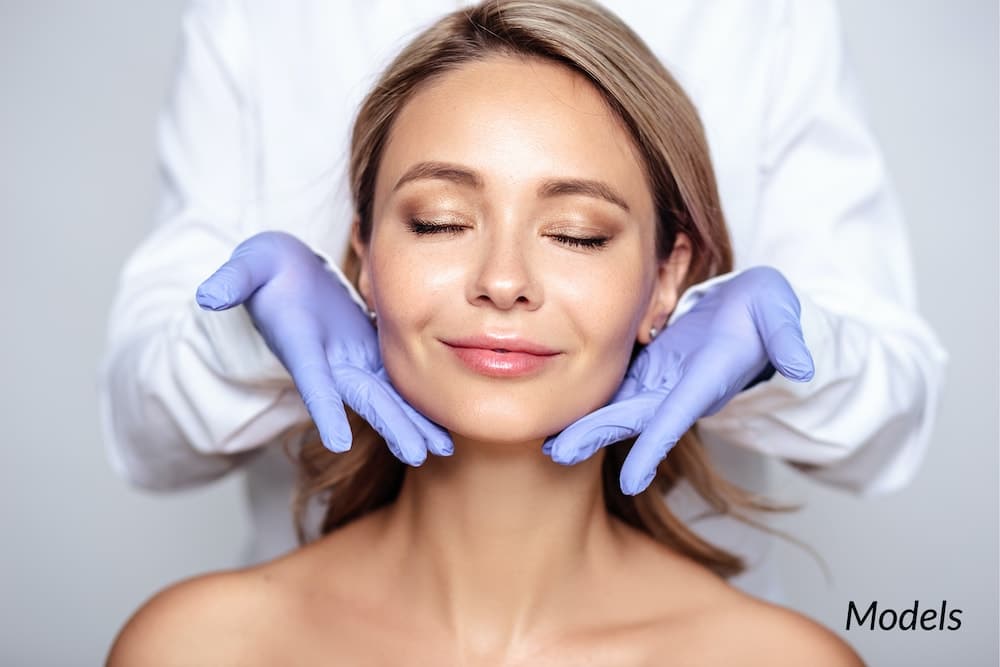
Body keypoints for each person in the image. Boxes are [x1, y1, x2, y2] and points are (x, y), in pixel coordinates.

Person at [98, 0, 947, 603]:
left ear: (666, 275)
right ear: (358, 251)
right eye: (435, 221)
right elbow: (144, 438)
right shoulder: (206, 639)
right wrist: (246, 339)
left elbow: (889, 423)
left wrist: (774, 355)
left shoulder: (763, 17)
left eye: (577, 233)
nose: (504, 281)